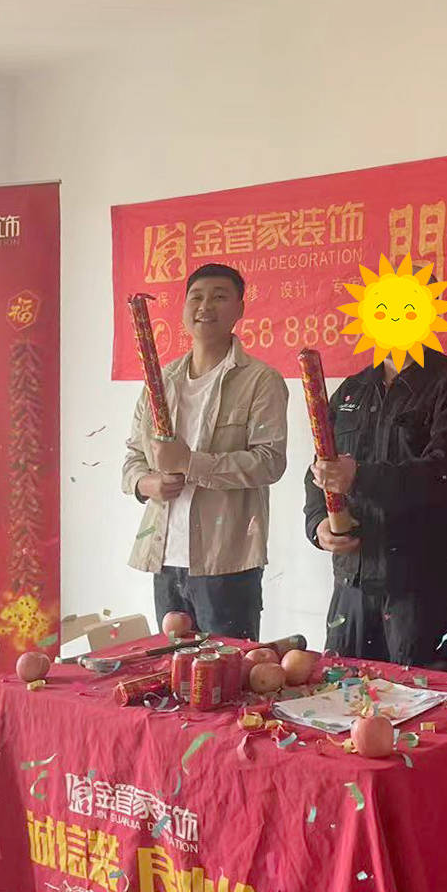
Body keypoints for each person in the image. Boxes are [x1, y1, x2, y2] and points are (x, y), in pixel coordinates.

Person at [122, 262, 289, 639]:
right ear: (183, 308)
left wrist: (189, 463)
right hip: (164, 556)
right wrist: (147, 484)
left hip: (227, 560)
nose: (205, 306)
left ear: (240, 309)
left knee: (229, 670)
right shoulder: (160, 381)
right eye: (196, 297)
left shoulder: (260, 381)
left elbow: (269, 462)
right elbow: (133, 458)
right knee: (174, 667)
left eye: (219, 297)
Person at [304, 346, 447, 670]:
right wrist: (318, 522)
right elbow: (320, 468)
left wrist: (359, 477)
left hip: (423, 588)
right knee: (341, 692)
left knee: (418, 698)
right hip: (352, 584)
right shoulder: (353, 389)